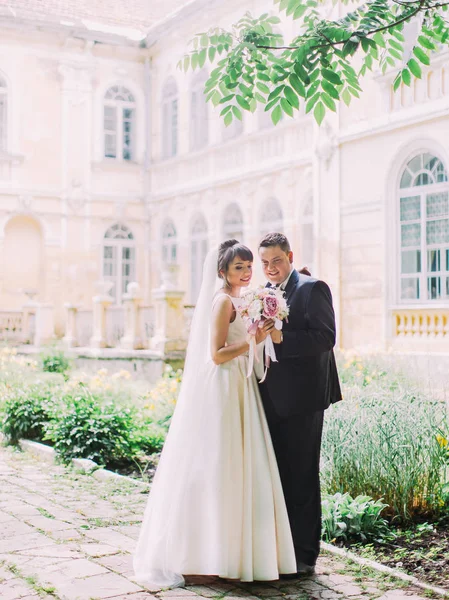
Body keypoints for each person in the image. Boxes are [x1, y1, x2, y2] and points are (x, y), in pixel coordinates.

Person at [133, 240, 297, 590]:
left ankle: (236, 552)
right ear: (222, 271)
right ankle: (204, 554)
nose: (247, 272)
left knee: (242, 465)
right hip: (222, 387)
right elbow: (217, 354)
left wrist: (265, 332)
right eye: (239, 267)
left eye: (248, 266)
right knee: (219, 465)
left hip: (241, 386)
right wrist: (252, 339)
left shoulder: (244, 298)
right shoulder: (222, 301)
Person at [258, 232, 342, 576]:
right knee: (278, 474)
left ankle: (305, 555)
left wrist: (282, 337)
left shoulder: (312, 287)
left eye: (276, 260)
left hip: (304, 399)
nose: (270, 268)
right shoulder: (263, 294)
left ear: (290, 256)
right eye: (264, 263)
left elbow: (326, 337)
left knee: (302, 475)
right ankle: (281, 549)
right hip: (271, 396)